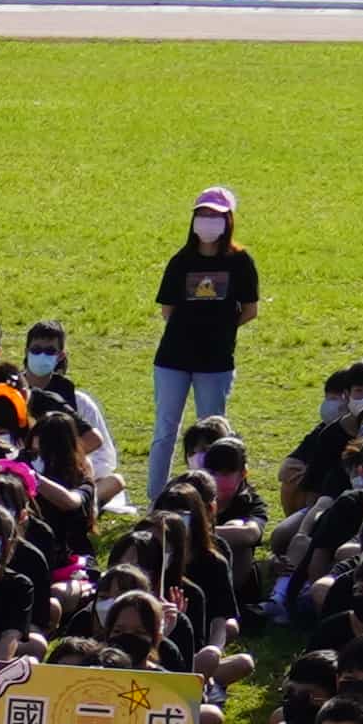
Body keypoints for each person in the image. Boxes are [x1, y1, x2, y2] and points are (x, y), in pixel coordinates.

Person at [147, 187, 260, 498]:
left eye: (215, 215)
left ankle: (209, 496)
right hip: (173, 358)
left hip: (216, 361)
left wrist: (221, 330)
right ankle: (156, 497)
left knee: (211, 434)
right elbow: (167, 310)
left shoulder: (240, 262)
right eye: (203, 214)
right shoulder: (181, 261)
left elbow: (250, 309)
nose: (208, 220)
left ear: (228, 220)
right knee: (165, 431)